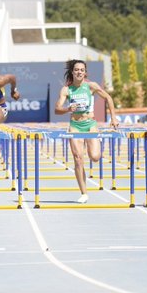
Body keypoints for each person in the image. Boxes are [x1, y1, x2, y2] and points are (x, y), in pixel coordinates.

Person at [54, 59, 119, 203]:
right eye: (76, 69)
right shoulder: (66, 90)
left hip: (90, 124)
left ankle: (95, 148)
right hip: (75, 126)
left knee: (95, 157)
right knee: (78, 159)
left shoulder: (91, 86)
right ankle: (84, 193)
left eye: (82, 70)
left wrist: (113, 118)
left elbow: (108, 98)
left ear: (85, 73)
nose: (79, 72)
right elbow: (57, 109)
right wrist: (67, 109)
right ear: (72, 72)